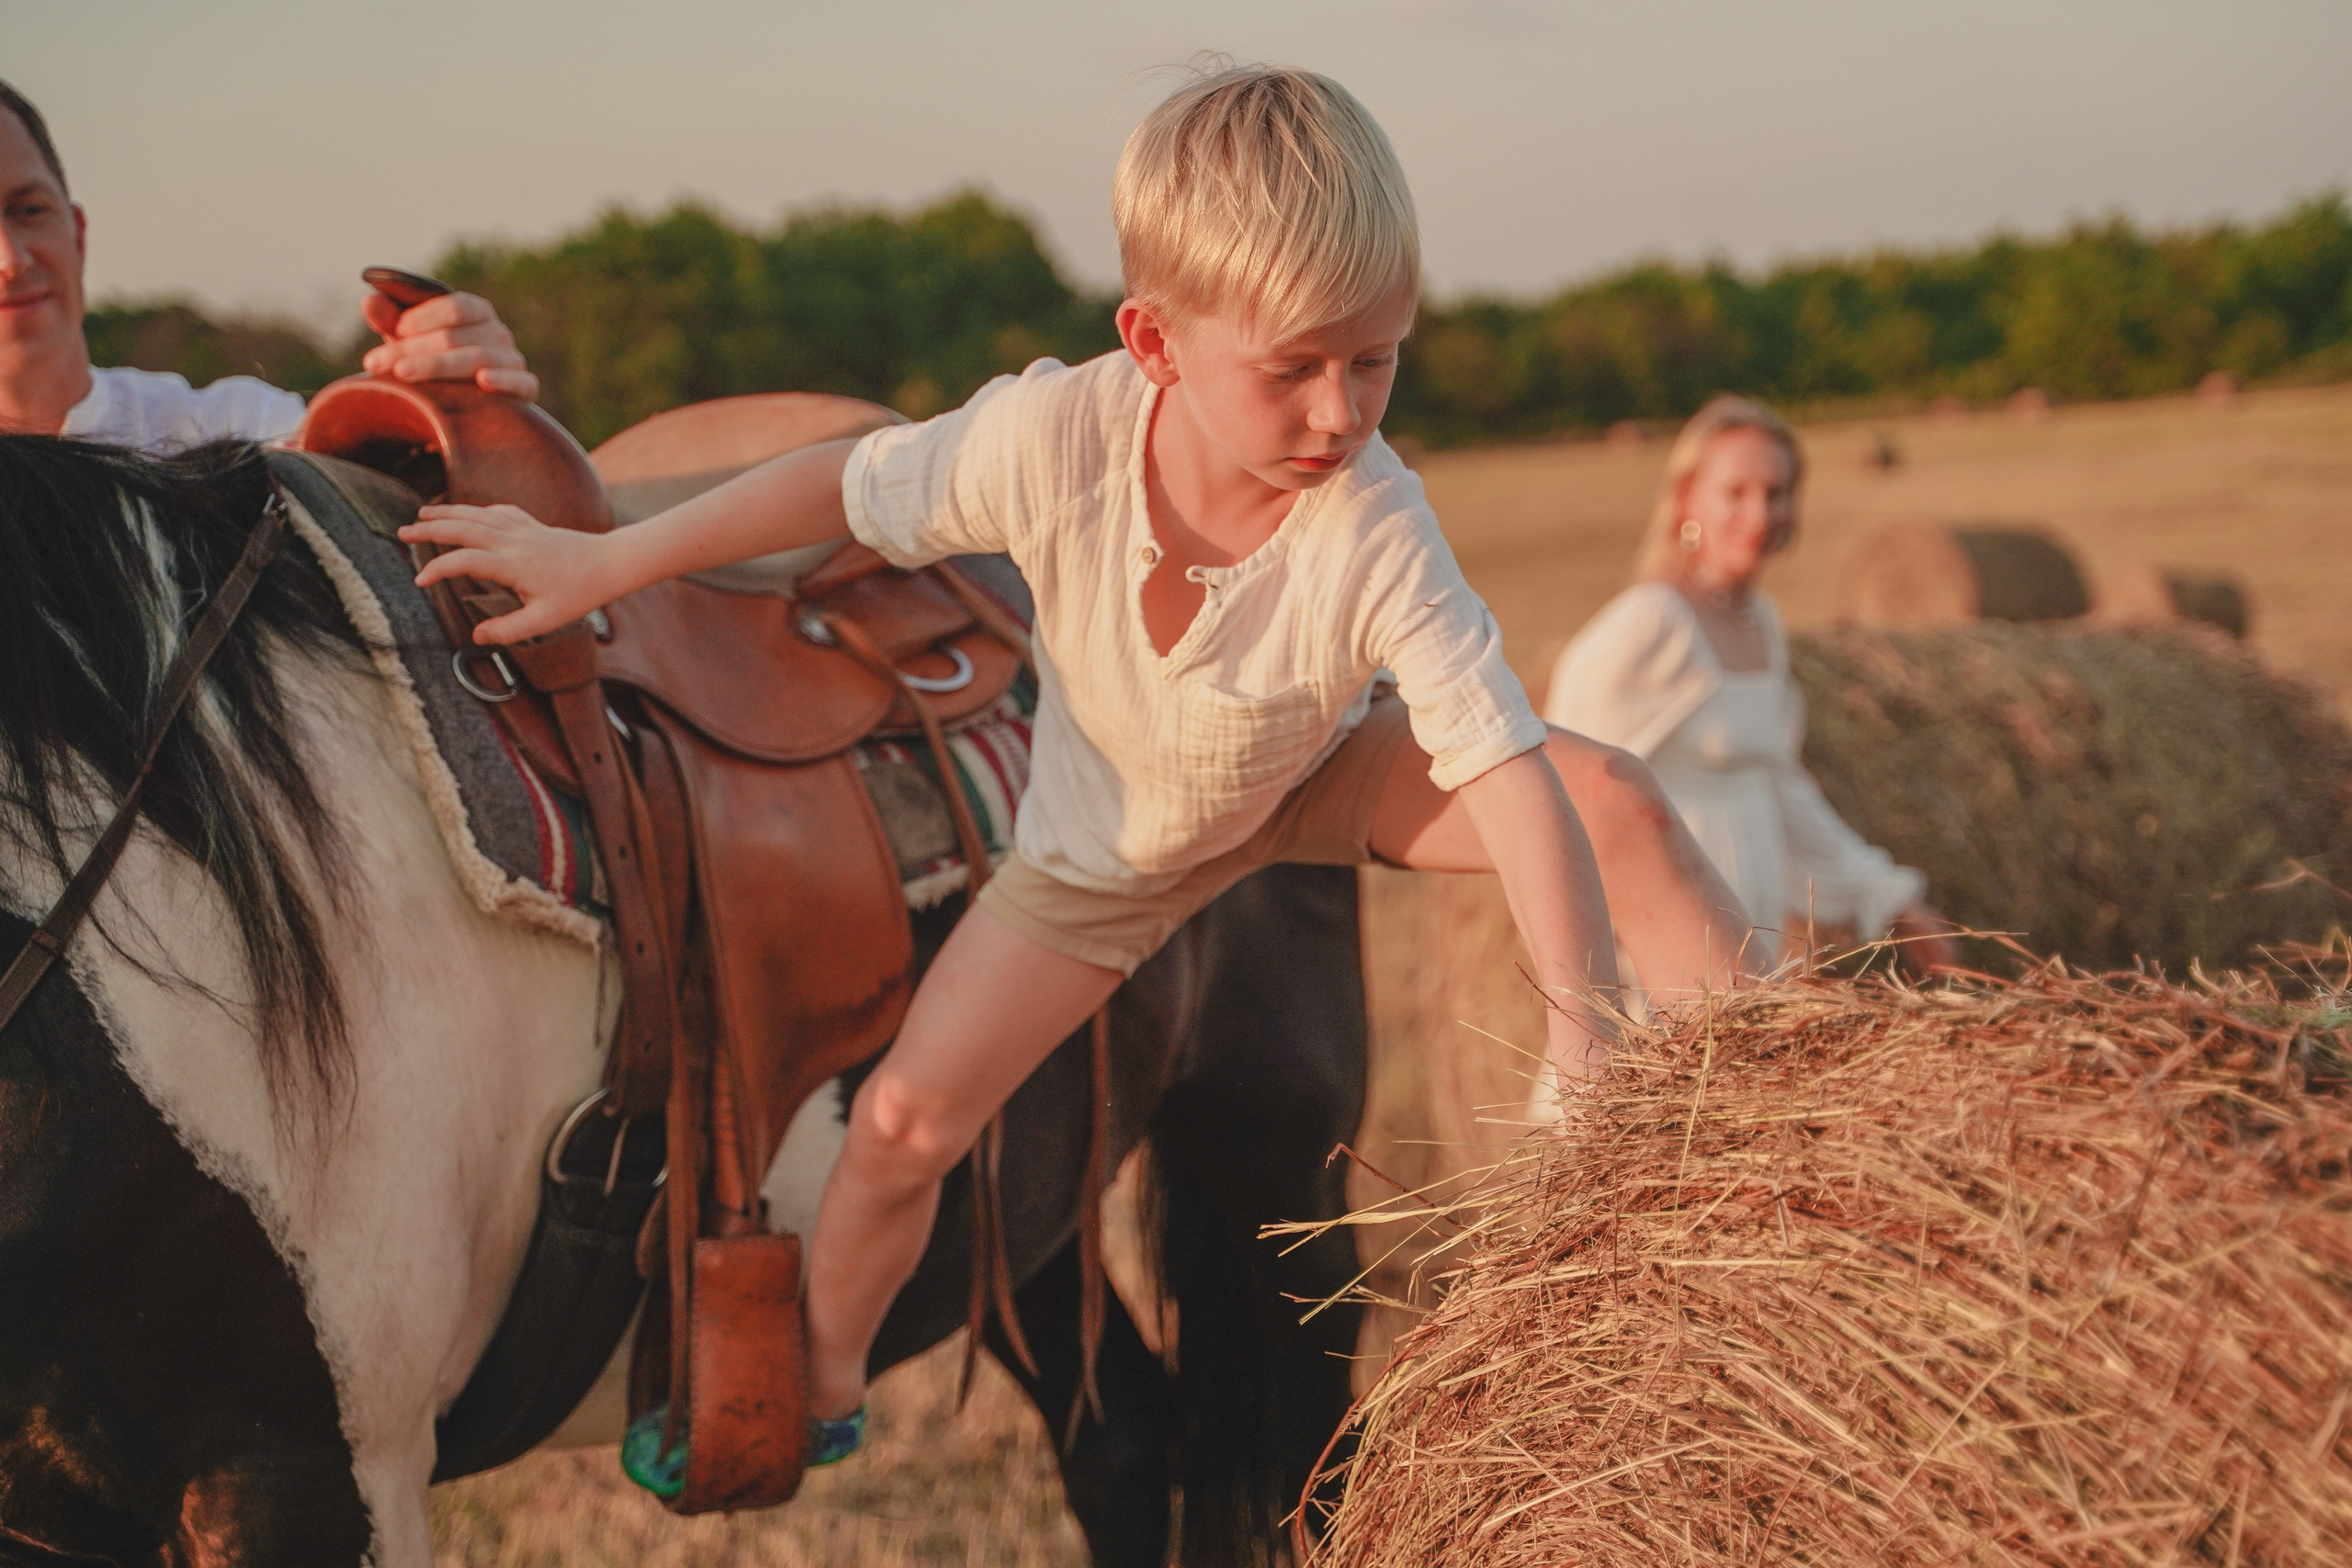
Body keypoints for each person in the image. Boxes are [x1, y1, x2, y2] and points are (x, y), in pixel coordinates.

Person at [397, 62, 1752, 1472]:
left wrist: (1586, 1039)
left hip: (1308, 778)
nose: (1342, 412)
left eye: (1378, 357)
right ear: (1153, 342)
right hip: (1092, 862)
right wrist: (608, 555)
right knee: (902, 1132)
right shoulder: (1057, 439)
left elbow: (1511, 773)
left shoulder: (1376, 517)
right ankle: (822, 1384)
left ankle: (1788, 1122)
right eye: (1294, 366)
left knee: (1618, 798)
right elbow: (840, 483)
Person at [1544, 396, 1962, 976]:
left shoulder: (1760, 624)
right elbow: (1565, 791)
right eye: (1735, 493)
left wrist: (1890, 899)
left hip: (1743, 957)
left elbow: (1781, 787)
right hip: (1651, 968)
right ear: (1688, 497)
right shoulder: (1651, 623)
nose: (1760, 514)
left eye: (1777, 492)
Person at [0, 77, 536, 452]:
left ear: (79, 235)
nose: (11, 260)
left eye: (29, 210)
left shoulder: (233, 435)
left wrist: (461, 413)